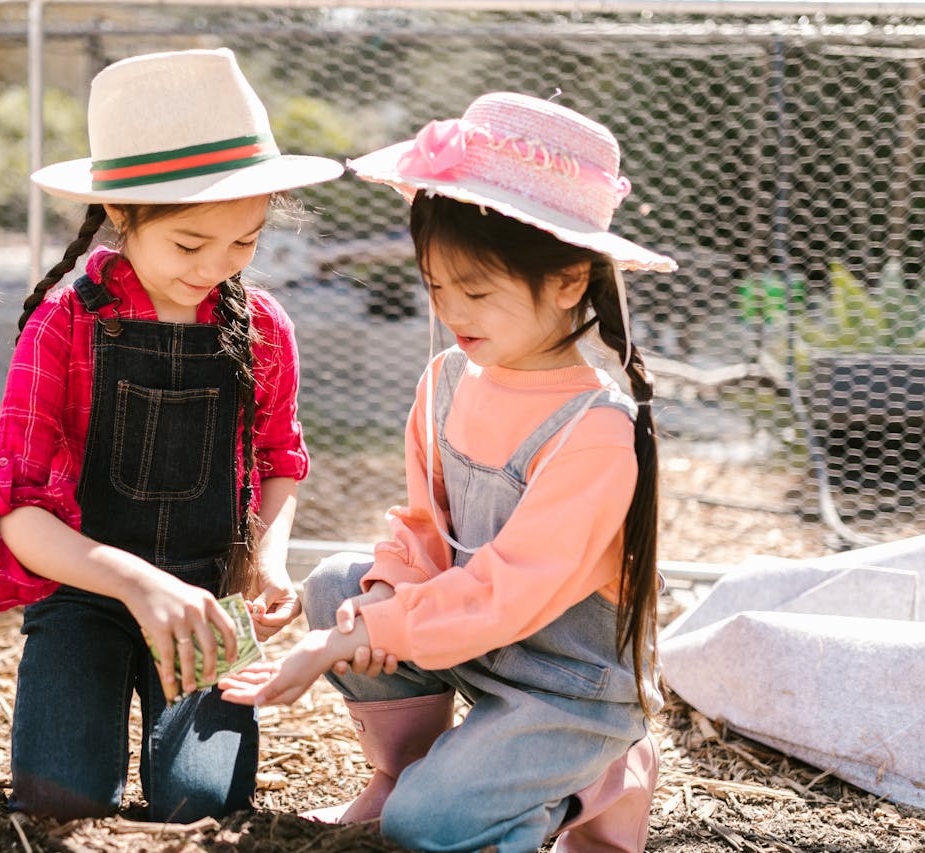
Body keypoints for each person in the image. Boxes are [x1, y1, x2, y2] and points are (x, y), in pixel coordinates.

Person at [219, 92, 677, 852]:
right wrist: (372, 610)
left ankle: (599, 773)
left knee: (428, 830)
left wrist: (350, 639)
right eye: (436, 286)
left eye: (476, 290)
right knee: (340, 584)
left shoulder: (594, 431)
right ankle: (409, 770)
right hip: (480, 645)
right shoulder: (446, 381)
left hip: (569, 687)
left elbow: (503, 593)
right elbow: (424, 534)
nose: (451, 309)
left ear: (569, 281)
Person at [0, 48, 342, 823]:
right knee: (59, 802)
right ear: (123, 215)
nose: (216, 267)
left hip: (208, 598)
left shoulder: (263, 327)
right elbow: (17, 513)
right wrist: (138, 584)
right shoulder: (64, 325)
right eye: (188, 244)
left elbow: (280, 460)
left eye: (243, 242)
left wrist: (265, 562)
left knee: (202, 802)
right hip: (87, 595)